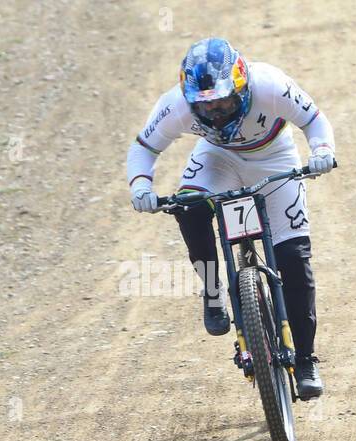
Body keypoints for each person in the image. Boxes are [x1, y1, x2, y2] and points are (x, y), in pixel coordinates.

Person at [126, 37, 336, 398]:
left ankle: (305, 359)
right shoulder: (175, 105)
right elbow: (143, 148)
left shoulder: (270, 85)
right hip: (217, 159)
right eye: (205, 107)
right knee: (188, 207)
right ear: (189, 99)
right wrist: (141, 187)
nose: (217, 113)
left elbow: (315, 121)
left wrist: (322, 150)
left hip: (274, 158)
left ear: (242, 86)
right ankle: (212, 289)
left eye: (224, 101)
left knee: (294, 260)